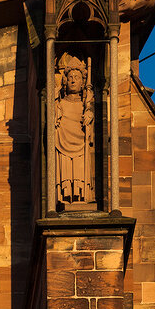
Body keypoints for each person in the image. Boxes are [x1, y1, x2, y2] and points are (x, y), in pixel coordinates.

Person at [54, 53, 94, 206]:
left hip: (80, 143)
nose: (72, 80)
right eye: (70, 77)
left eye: (76, 77)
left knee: (78, 171)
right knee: (65, 168)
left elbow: (90, 132)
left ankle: (80, 193)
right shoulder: (61, 103)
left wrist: (89, 116)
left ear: (82, 83)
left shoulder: (85, 106)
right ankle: (64, 192)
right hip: (63, 141)